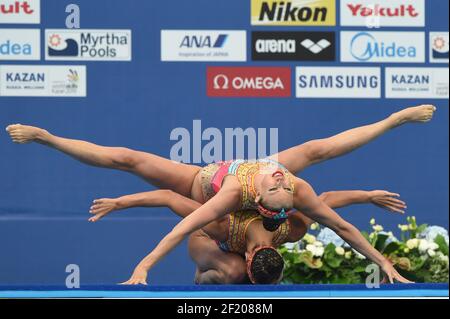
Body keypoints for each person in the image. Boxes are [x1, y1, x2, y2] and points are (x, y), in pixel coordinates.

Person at [5, 104, 436, 284]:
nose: (281, 178)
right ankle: (48, 136)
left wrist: (384, 264)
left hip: (213, 188)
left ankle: (395, 118)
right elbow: (183, 220)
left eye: (282, 182)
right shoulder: (260, 187)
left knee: (324, 150)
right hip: (208, 178)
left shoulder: (271, 194)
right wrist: (144, 264)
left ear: (271, 204)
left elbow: (340, 225)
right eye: (280, 180)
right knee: (128, 159)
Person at [88, 189, 406, 284]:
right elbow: (170, 198)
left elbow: (328, 200)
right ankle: (203, 277)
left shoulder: (291, 229)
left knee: (248, 278)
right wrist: (119, 202)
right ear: (252, 255)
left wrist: (367, 196)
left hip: (239, 248)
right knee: (234, 274)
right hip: (207, 243)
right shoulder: (223, 226)